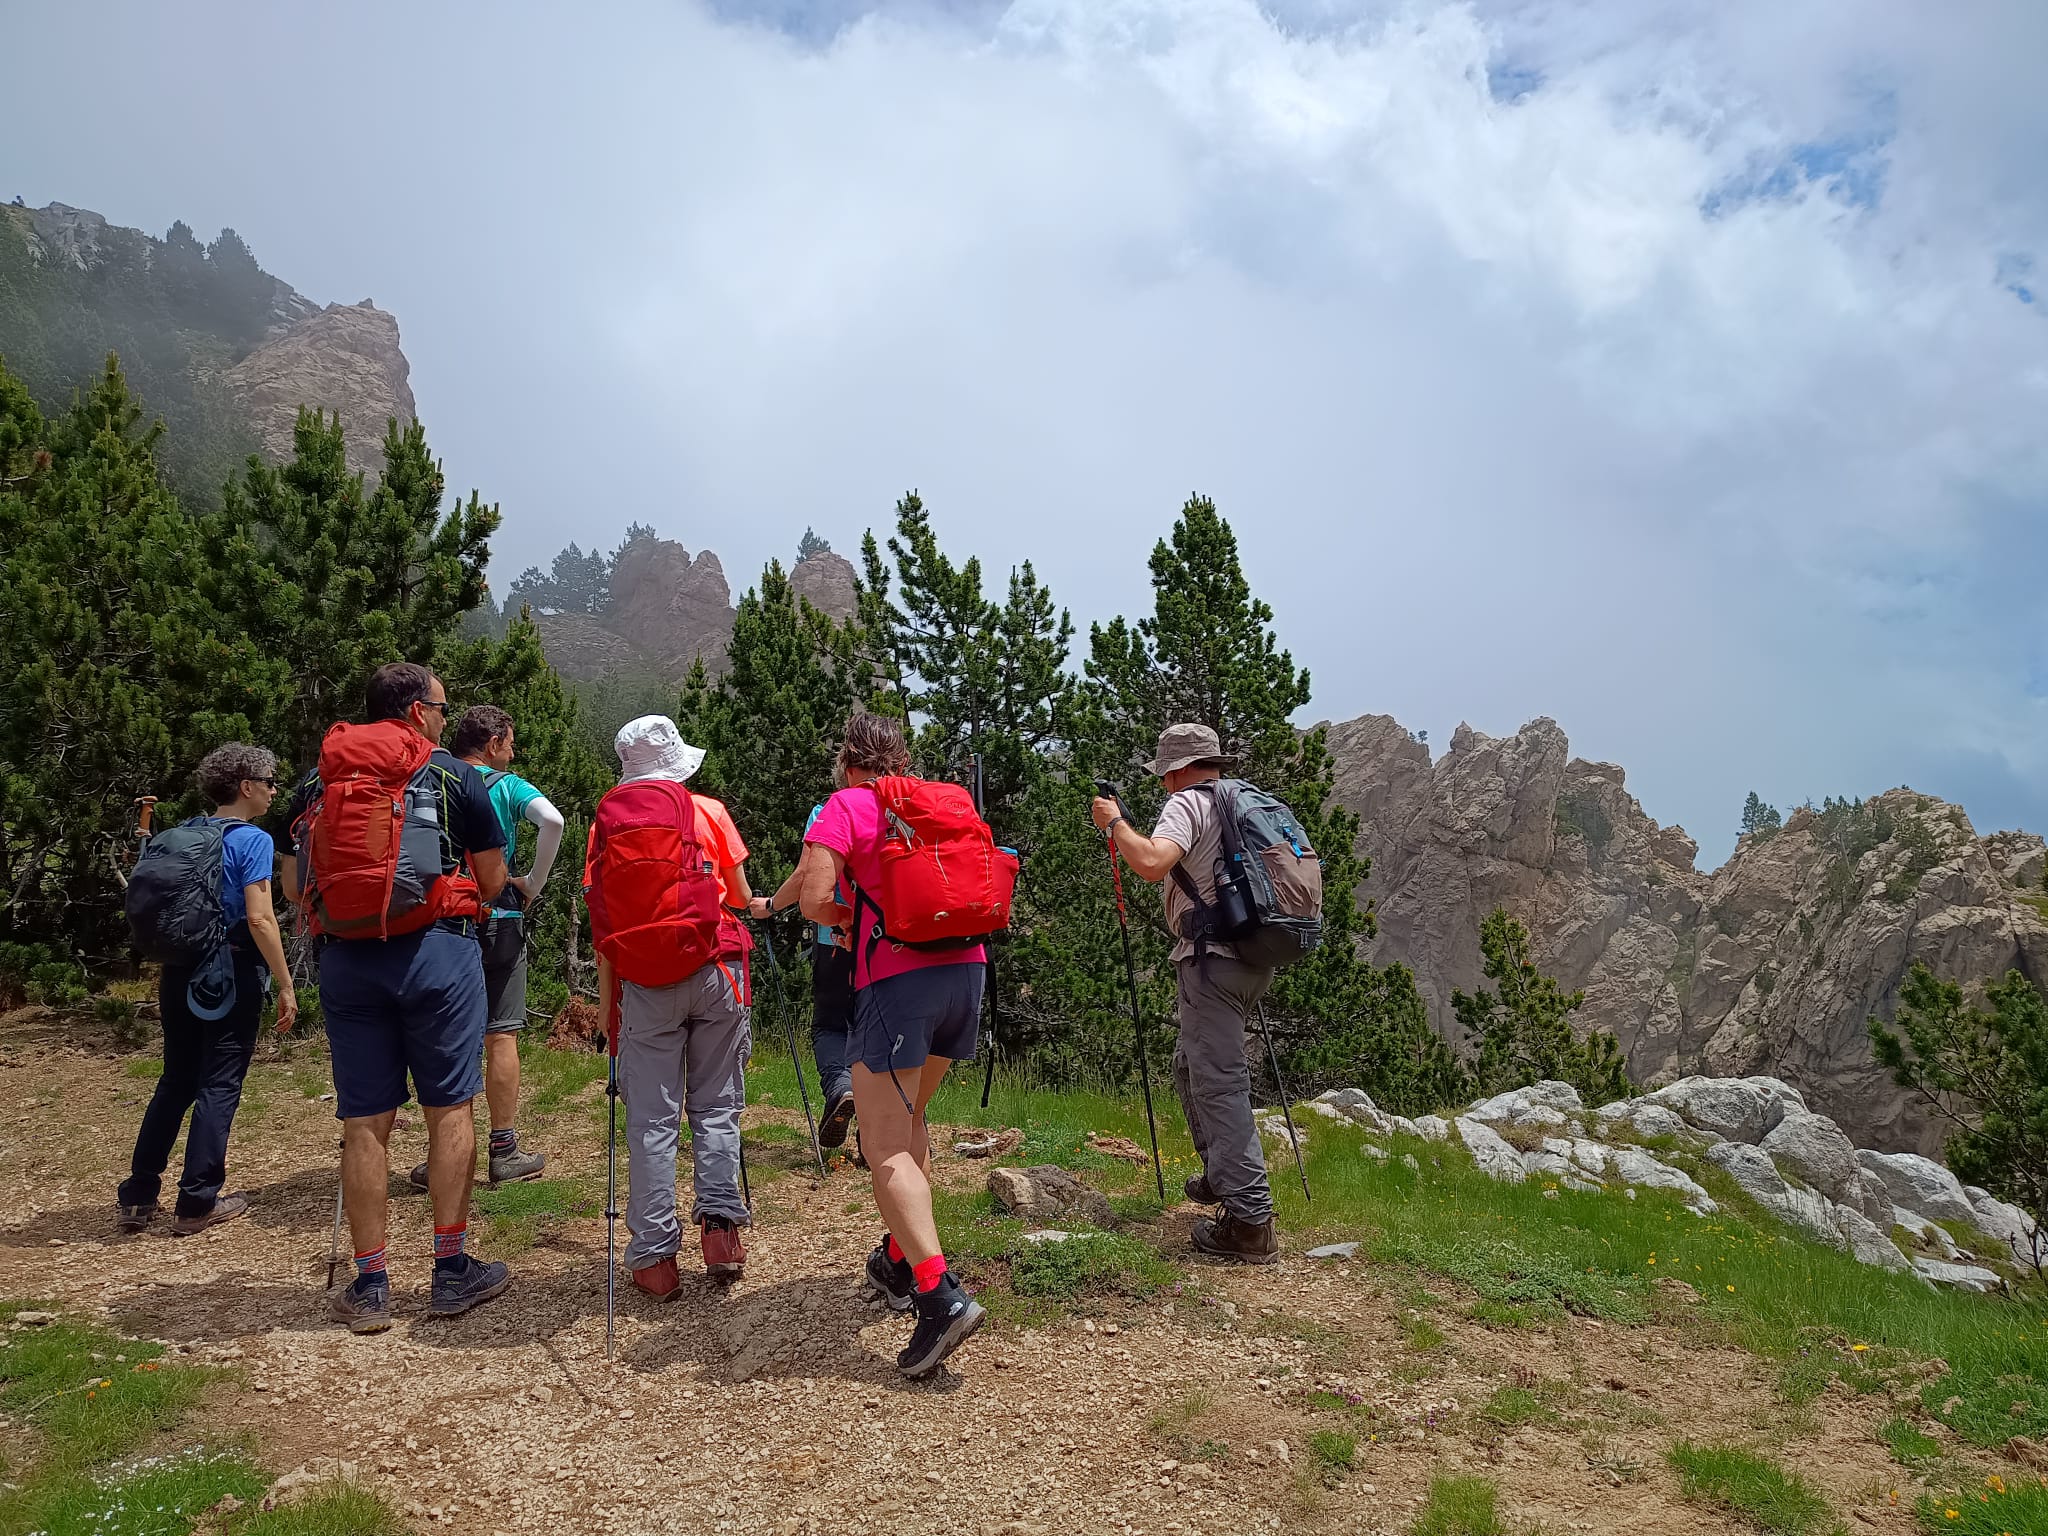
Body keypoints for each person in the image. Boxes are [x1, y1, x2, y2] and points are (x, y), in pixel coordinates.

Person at [283, 662, 511, 1333]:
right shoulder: (454, 776)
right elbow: (492, 881)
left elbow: (295, 887)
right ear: (417, 711)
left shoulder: (318, 781)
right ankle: (450, 1270)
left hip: (348, 960)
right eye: (440, 708)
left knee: (364, 1121)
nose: (444, 718)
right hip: (437, 954)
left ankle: (372, 1284)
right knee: (449, 1108)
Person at [800, 712, 987, 1377]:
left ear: (848, 762)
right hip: (967, 970)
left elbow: (815, 897)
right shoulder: (944, 800)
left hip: (898, 981)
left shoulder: (847, 805)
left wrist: (845, 917)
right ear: (902, 761)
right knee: (910, 1118)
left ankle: (938, 1295)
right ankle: (900, 1259)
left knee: (882, 1146)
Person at [1091, 722, 1280, 1264]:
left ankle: (1251, 1223)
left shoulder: (1189, 802)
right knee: (1189, 1063)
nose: (1162, 783)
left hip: (1212, 960)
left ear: (1175, 770)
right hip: (1256, 955)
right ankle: (1223, 1175)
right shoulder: (1245, 800)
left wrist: (1116, 823)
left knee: (1220, 1084)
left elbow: (1152, 863)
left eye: (1164, 774)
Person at [591, 716, 757, 1297]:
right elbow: (739, 897)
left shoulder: (607, 825)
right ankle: (720, 1234)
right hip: (718, 968)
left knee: (652, 1121)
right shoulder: (708, 811)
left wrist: (609, 1007)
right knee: (716, 1106)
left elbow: (604, 924)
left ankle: (655, 1259)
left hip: (644, 979)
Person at [116, 744, 298, 1235]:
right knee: (219, 1084)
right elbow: (260, 918)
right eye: (269, 782)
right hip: (229, 971)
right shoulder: (252, 840)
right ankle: (196, 1202)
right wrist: (285, 983)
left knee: (176, 1079)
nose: (274, 790)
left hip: (178, 969)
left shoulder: (184, 833)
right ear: (246, 786)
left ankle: (138, 1195)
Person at [406, 705, 562, 1191]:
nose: (512, 753)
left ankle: (442, 1154)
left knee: (446, 1038)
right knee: (501, 1035)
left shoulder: (433, 778)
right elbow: (552, 821)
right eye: (510, 744)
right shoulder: (506, 786)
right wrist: (532, 883)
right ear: (493, 744)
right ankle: (503, 1149)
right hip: (501, 918)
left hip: (443, 922)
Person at [755, 801, 857, 1151]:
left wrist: (770, 905)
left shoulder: (827, 812)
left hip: (835, 937)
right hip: (890, 944)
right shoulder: (900, 811)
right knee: (881, 1030)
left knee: (831, 1026)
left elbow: (804, 875)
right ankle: (888, 1132)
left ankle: (841, 1086)